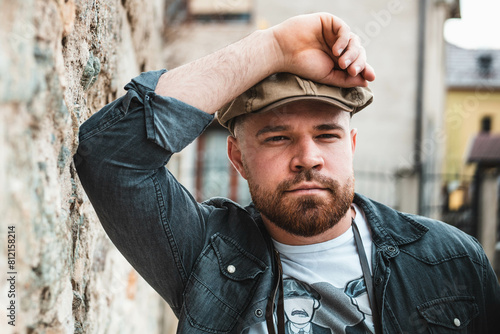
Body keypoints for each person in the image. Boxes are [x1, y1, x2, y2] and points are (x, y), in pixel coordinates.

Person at [74, 12, 500, 334]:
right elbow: (111, 155)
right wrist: (274, 46)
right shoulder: (205, 255)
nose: (308, 158)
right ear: (237, 158)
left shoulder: (451, 260)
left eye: (327, 135)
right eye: (277, 138)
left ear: (350, 147)